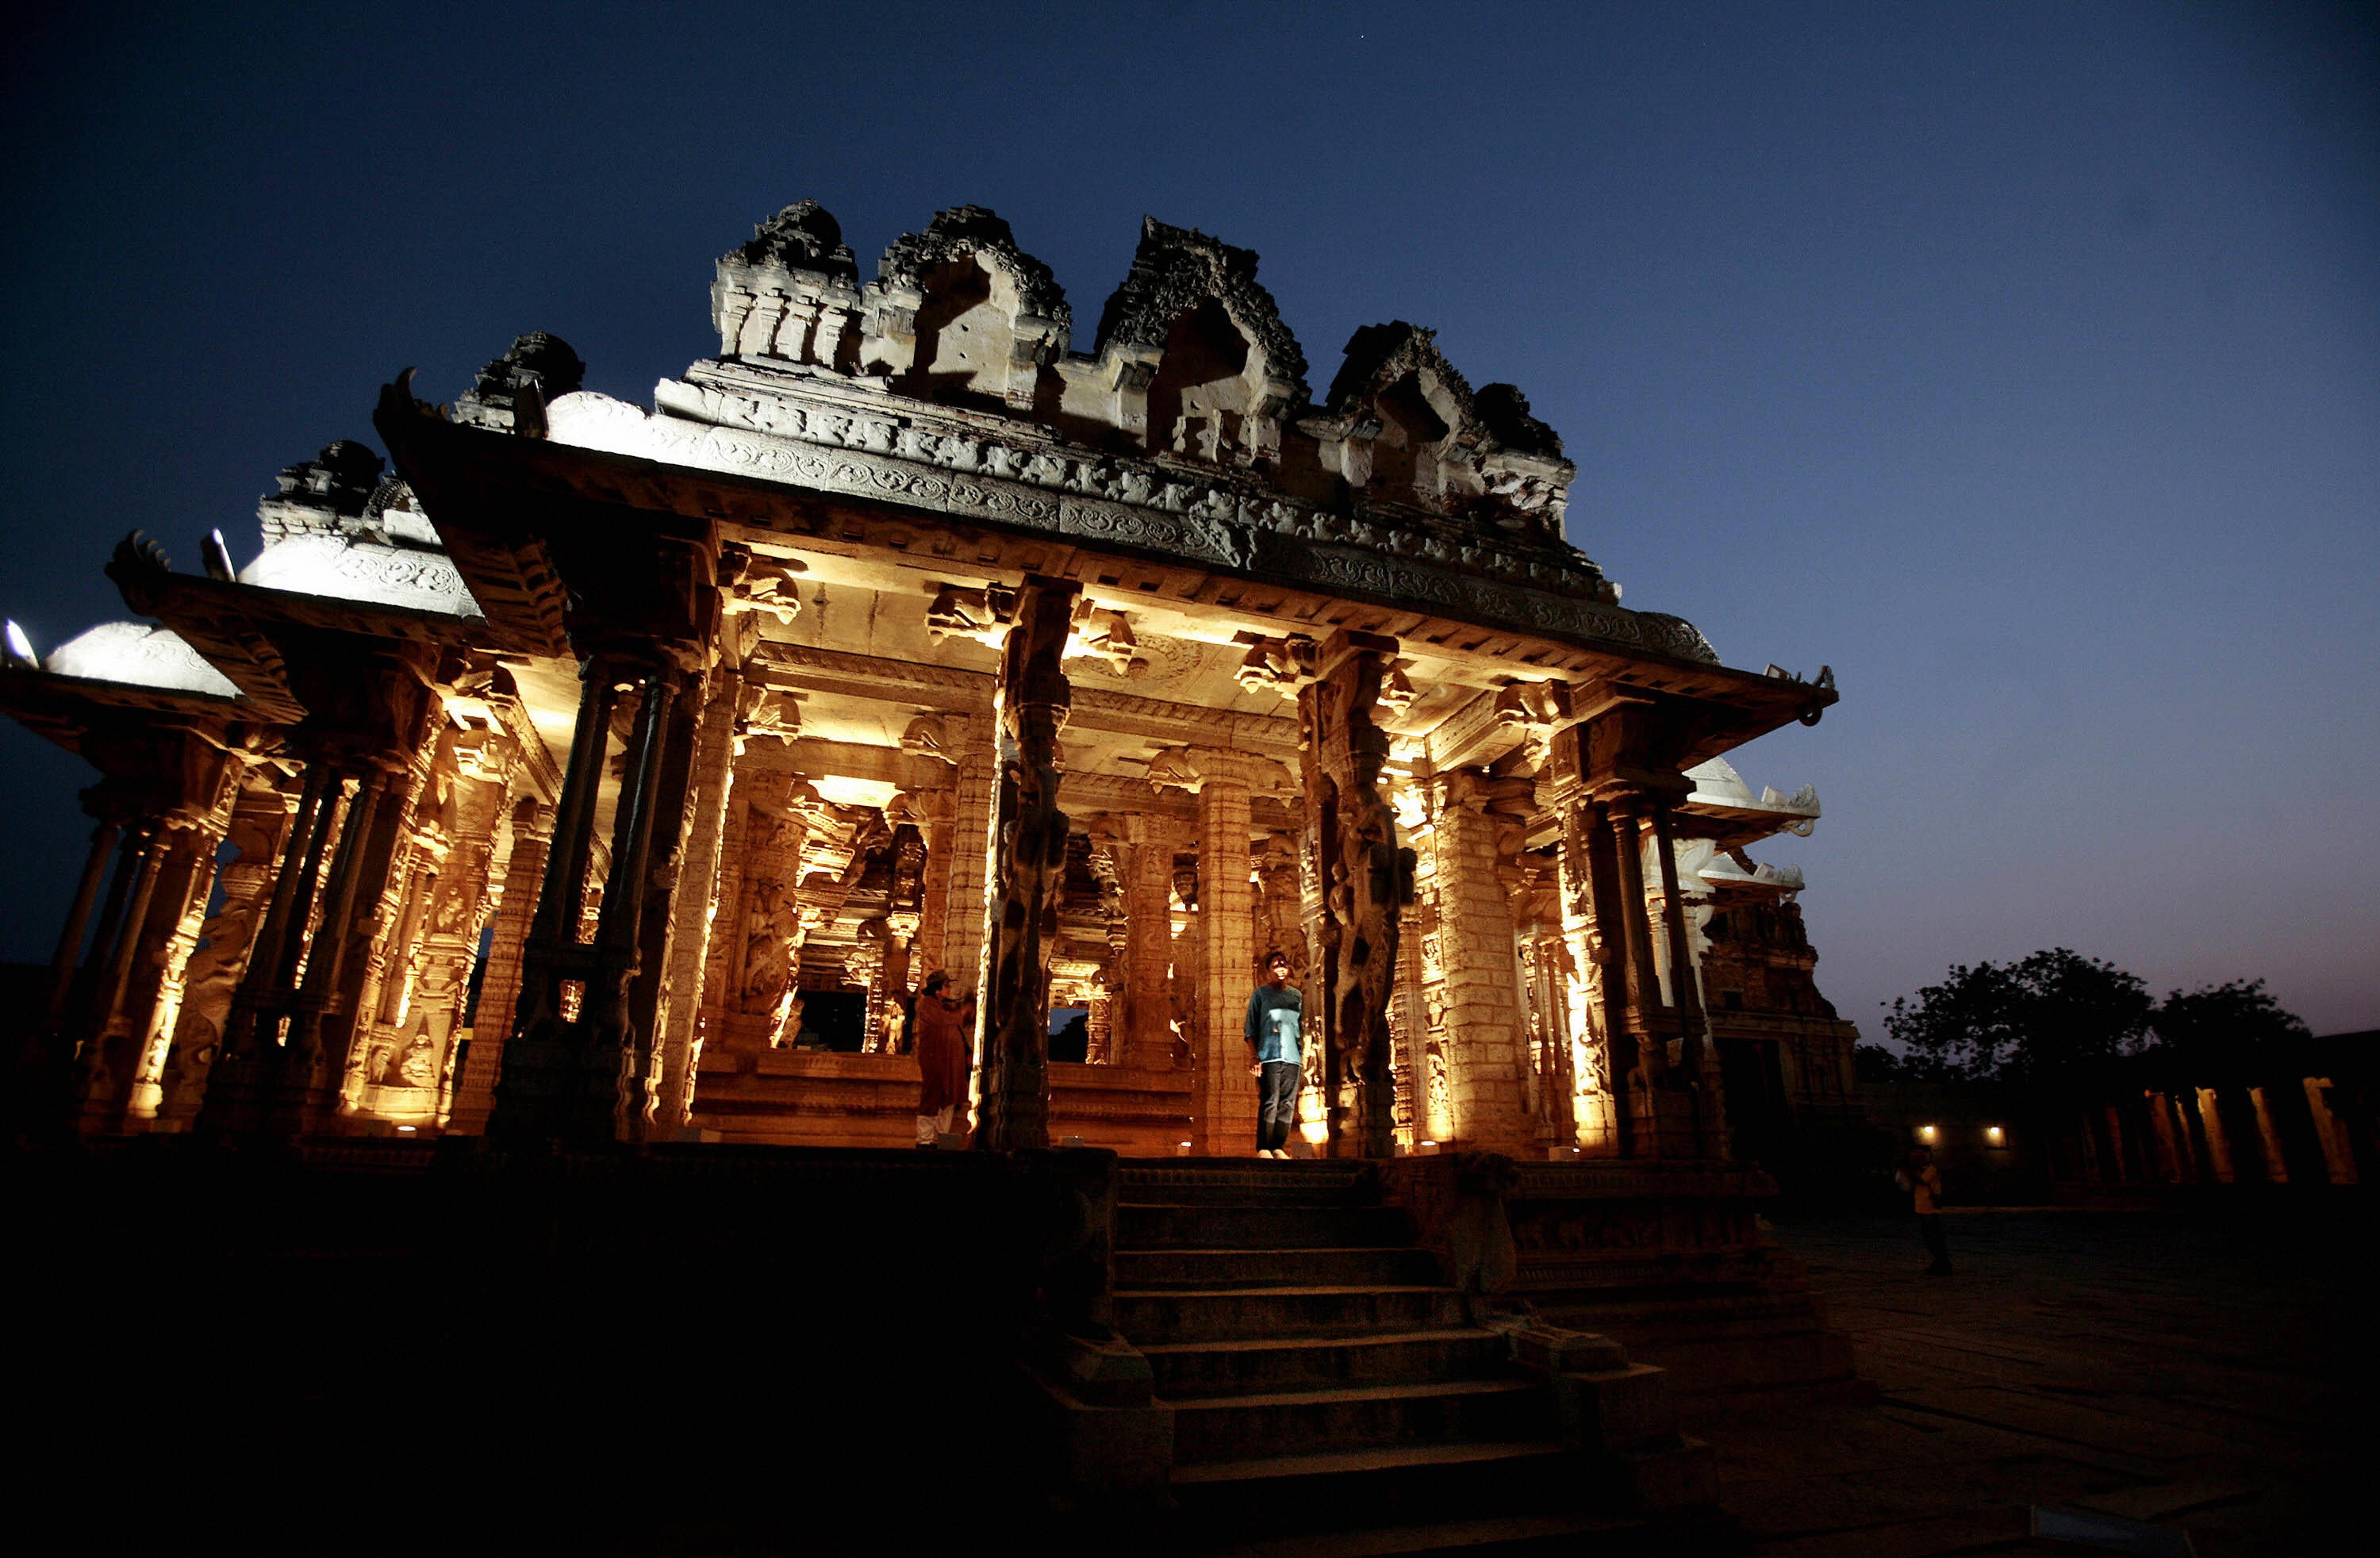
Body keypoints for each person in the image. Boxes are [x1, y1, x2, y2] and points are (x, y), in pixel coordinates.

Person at [1244, 950, 1303, 1160]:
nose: (1280, 967)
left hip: (1293, 1056)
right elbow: (1250, 1028)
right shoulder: (1261, 995)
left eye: (1283, 964)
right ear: (1268, 970)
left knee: (1288, 1102)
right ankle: (1264, 1147)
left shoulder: (1296, 996)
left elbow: (1301, 1027)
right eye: (1275, 964)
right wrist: (1254, 1056)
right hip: (1269, 1054)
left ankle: (1279, 1146)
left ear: (1288, 969)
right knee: (1270, 1100)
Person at [912, 972, 974, 1149]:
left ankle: (939, 1139)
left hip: (949, 1065)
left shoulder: (943, 1006)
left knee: (949, 1101)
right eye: (946, 986)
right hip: (936, 1063)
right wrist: (962, 1012)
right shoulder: (928, 1006)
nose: (949, 989)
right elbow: (944, 1020)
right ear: (937, 989)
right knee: (932, 1098)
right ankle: (924, 1141)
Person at [1899, 1145, 1952, 1275]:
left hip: (1930, 1208)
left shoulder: (1931, 1169)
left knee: (1934, 1237)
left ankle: (1942, 1263)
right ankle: (1939, 1262)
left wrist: (1910, 1171)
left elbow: (1922, 1181)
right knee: (1930, 1238)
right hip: (1923, 1208)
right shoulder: (1923, 1169)